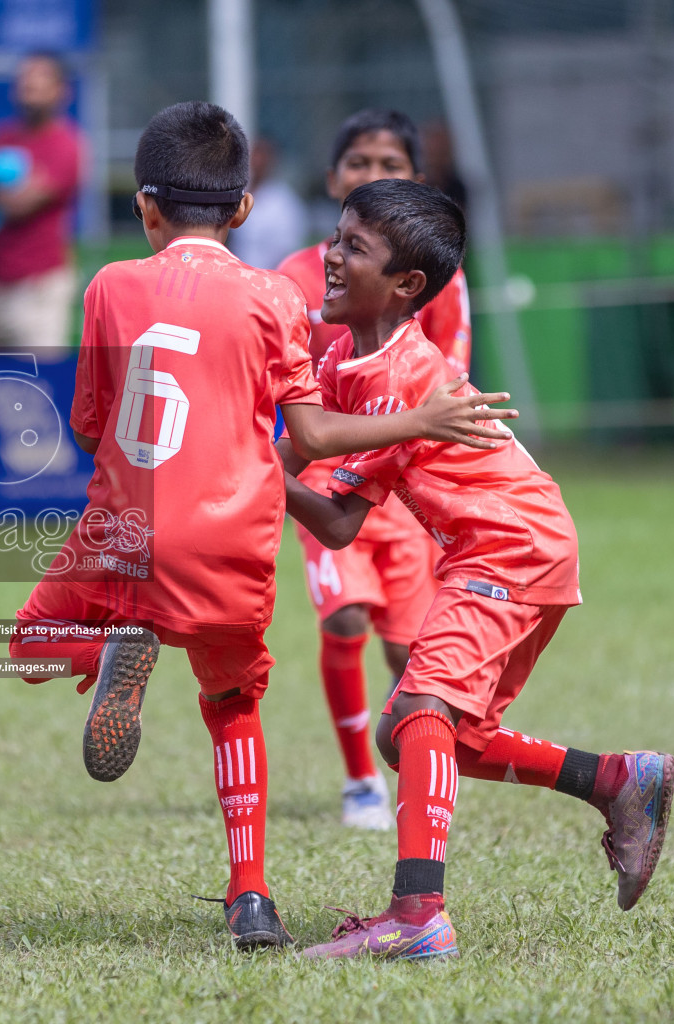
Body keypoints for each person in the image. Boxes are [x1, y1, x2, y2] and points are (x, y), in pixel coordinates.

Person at [1, 103, 519, 951]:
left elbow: (94, 426)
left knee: (24, 646)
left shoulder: (108, 287)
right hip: (233, 538)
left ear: (145, 207)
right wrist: (417, 419)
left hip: (126, 530)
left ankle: (112, 651)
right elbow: (308, 437)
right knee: (233, 704)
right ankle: (252, 898)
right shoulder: (276, 295)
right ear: (243, 209)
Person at [281, 178, 674, 960]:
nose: (329, 256)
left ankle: (417, 915)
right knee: (424, 735)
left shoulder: (400, 374)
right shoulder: (352, 368)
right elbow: (337, 520)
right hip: (507, 550)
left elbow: (310, 443)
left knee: (424, 707)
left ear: (406, 286)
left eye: (352, 247)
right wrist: (258, 470)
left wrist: (253, 456)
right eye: (335, 237)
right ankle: (615, 780)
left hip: (510, 548)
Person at [276, 109, 473, 831]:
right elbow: (290, 388)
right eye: (357, 163)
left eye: (389, 163)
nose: (371, 174)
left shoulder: (440, 286)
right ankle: (361, 780)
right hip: (329, 474)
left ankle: (432, 764)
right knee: (346, 620)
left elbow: (447, 380)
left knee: (406, 648)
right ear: (333, 179)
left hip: (400, 481)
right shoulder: (297, 277)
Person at [0, 52, 83, 350]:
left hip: (38, 288)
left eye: (38, 82)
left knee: (38, 386)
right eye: (24, 81)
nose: (28, 88)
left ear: (61, 91)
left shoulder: (66, 145)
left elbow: (18, 205)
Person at [228, 137, 307, 269]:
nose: (258, 161)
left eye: (263, 156)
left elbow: (287, 249)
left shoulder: (284, 202)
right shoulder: (236, 193)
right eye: (255, 155)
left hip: (268, 275)